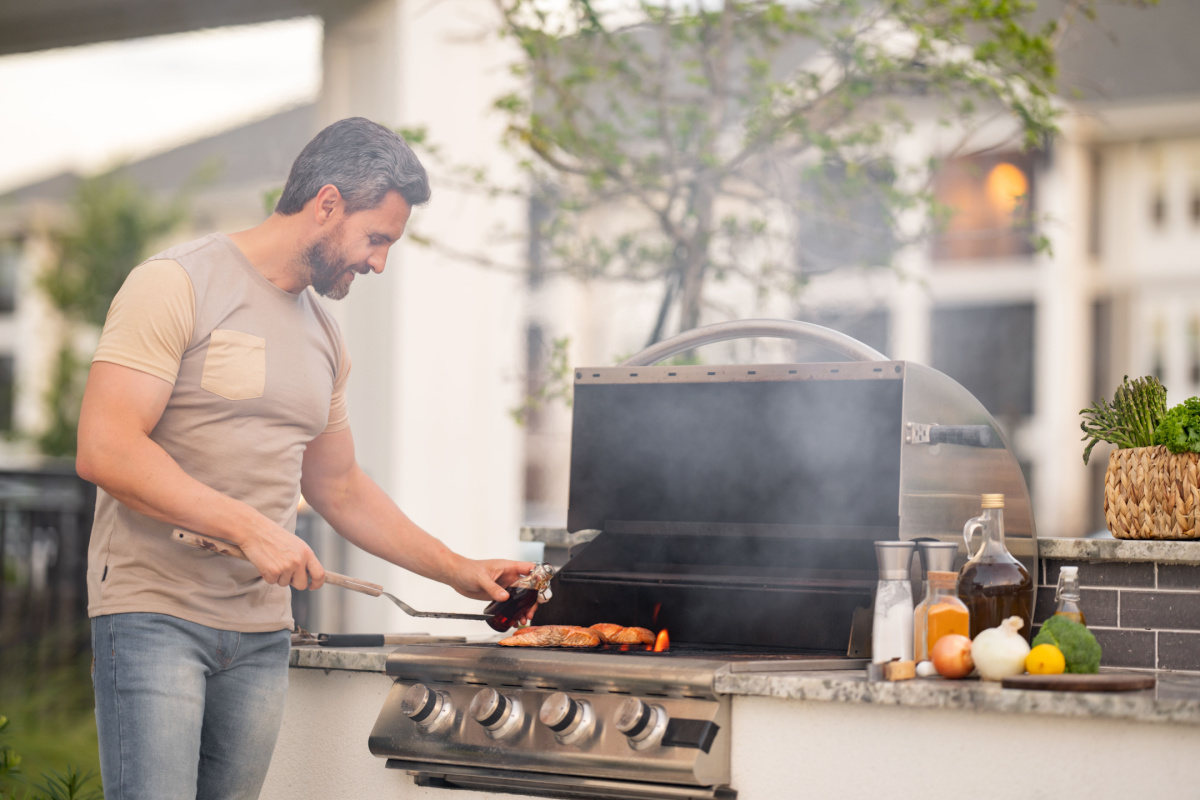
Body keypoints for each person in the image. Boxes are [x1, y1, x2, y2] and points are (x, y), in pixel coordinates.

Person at [75, 117, 535, 800]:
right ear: (326, 204)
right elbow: (106, 447)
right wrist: (251, 527)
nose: (379, 262)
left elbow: (341, 487)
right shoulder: (177, 284)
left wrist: (457, 570)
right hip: (154, 614)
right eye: (376, 238)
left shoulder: (323, 337)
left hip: (260, 633)